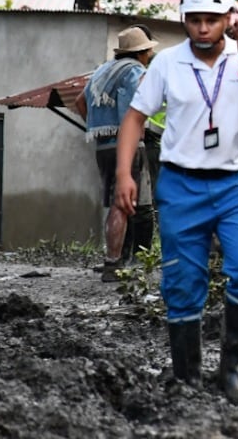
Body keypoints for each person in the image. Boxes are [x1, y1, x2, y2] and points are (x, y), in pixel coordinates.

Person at [113, 0, 238, 404]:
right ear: (183, 19)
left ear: (229, 16)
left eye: (211, 19)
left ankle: (230, 371)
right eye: (194, 20)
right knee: (183, 283)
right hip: (181, 184)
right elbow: (135, 116)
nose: (203, 28)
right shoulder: (168, 63)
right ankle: (187, 379)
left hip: (237, 183)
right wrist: (124, 174)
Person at [75, 25, 158, 282]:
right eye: (147, 52)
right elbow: (138, 107)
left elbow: (79, 101)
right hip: (128, 144)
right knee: (130, 205)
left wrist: (97, 124)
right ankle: (117, 263)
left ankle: (121, 258)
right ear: (141, 52)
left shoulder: (102, 71)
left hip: (103, 145)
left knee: (120, 201)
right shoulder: (135, 71)